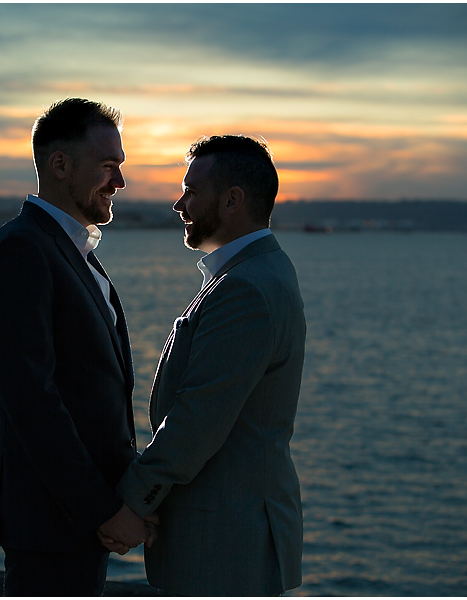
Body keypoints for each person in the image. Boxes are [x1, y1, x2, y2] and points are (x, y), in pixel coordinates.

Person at [0, 98, 153, 596]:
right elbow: (32, 402)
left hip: (78, 522)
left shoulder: (72, 251)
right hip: (51, 523)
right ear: (59, 165)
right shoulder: (21, 251)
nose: (119, 182)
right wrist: (102, 510)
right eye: (108, 167)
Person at [110, 135, 306, 595]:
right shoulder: (260, 273)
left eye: (192, 191)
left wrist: (130, 503)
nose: (179, 204)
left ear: (233, 200)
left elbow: (198, 418)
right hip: (231, 542)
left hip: (224, 549)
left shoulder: (245, 289)